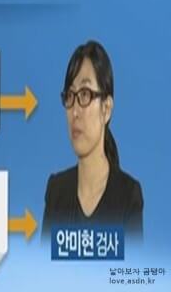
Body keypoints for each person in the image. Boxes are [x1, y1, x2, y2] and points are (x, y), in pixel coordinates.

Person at [42, 40, 143, 242]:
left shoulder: (128, 195)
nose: (75, 112)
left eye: (85, 94)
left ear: (106, 109)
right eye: (70, 96)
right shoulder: (56, 191)